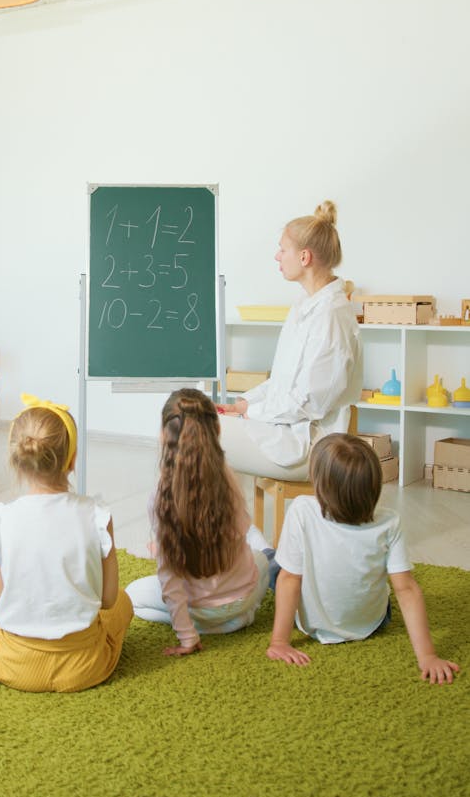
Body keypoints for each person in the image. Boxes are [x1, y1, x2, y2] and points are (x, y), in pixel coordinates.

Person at [0, 394, 132, 692]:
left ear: (17, 459)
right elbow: (108, 600)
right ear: (71, 461)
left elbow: (5, 594)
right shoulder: (97, 515)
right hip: (86, 666)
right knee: (124, 600)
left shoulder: (0, 520)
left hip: (16, 664)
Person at [267, 433, 460, 683]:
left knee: (275, 566)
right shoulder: (390, 521)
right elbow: (407, 590)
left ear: (319, 484)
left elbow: (290, 578)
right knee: (395, 580)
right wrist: (428, 656)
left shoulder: (302, 510)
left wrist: (280, 641)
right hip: (372, 624)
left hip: (311, 624)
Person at [126, 388, 275, 656]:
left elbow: (170, 579)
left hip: (198, 608)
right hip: (243, 599)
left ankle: (204, 625)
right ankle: (238, 620)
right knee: (261, 559)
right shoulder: (230, 479)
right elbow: (239, 539)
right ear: (217, 430)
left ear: (163, 435)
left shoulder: (160, 498)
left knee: (132, 596)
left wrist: (187, 637)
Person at [220, 200, 363, 480]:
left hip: (309, 444)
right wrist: (244, 404)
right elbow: (283, 382)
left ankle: (206, 522)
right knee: (191, 421)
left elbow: (309, 403)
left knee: (190, 430)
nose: (277, 256)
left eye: (283, 249)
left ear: (304, 257)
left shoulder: (331, 317)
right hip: (286, 427)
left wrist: (253, 411)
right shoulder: (305, 306)